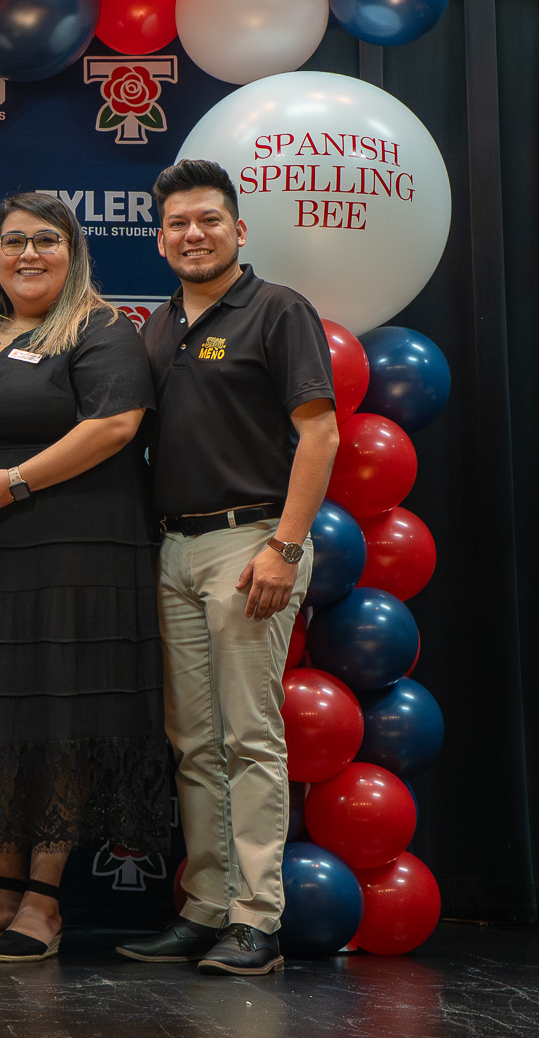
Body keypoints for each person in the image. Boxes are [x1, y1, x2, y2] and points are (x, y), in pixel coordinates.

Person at [0, 191, 171, 963]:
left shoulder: (99, 328)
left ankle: (44, 899)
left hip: (77, 556)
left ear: (73, 251)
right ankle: (0, 892)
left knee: (59, 719)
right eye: (11, 242)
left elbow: (115, 425)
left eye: (45, 240)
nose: (27, 254)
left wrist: (18, 482)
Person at [116, 159, 339, 977]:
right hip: (173, 548)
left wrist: (283, 547)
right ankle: (206, 905)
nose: (192, 234)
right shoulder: (159, 323)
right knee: (194, 741)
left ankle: (258, 918)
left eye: (208, 220)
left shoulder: (276, 309)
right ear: (162, 237)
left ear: (239, 229)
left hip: (250, 545)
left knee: (249, 736)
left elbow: (320, 435)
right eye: (177, 224)